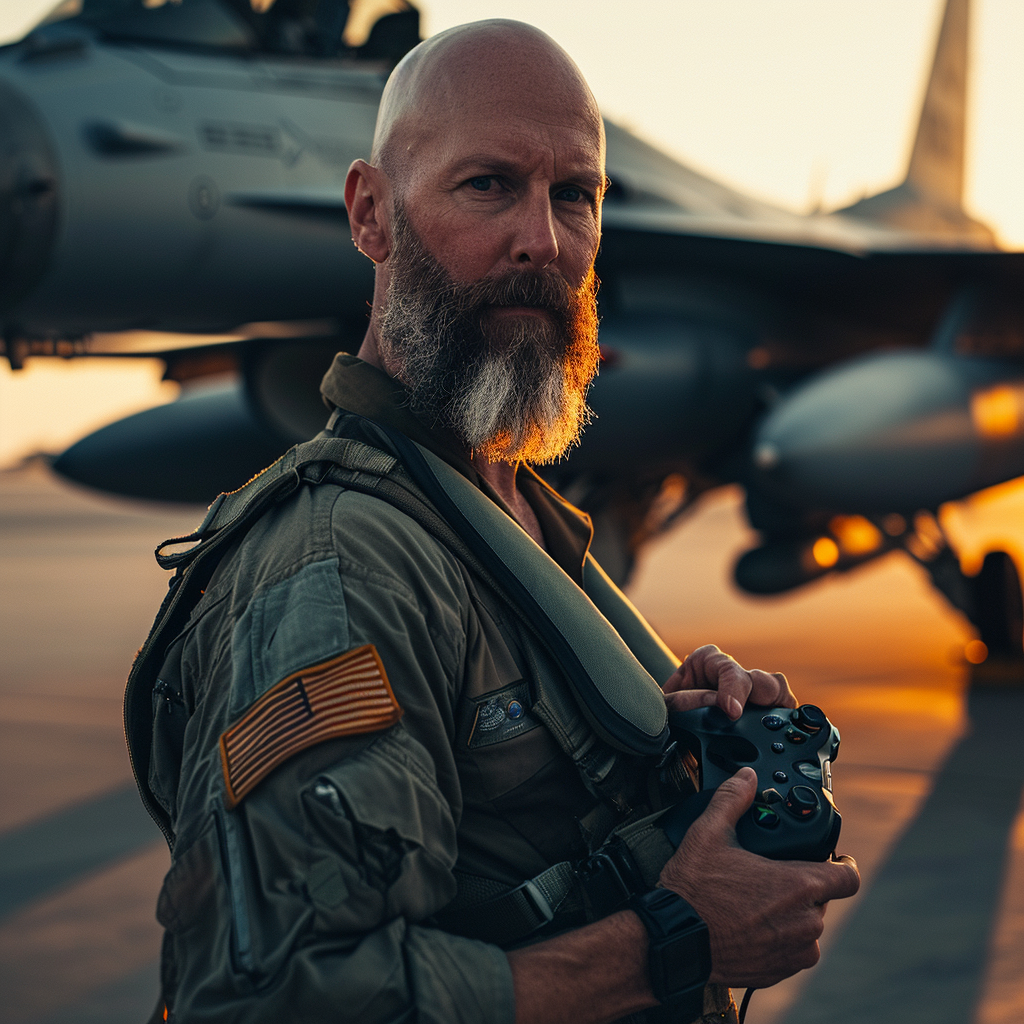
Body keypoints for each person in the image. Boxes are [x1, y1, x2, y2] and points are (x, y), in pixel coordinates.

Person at [134, 20, 859, 1024]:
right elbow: (279, 1000)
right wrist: (676, 939)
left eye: (575, 196)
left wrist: (672, 733)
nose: (543, 241)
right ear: (370, 215)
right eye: (486, 186)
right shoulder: (339, 562)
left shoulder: (508, 514)